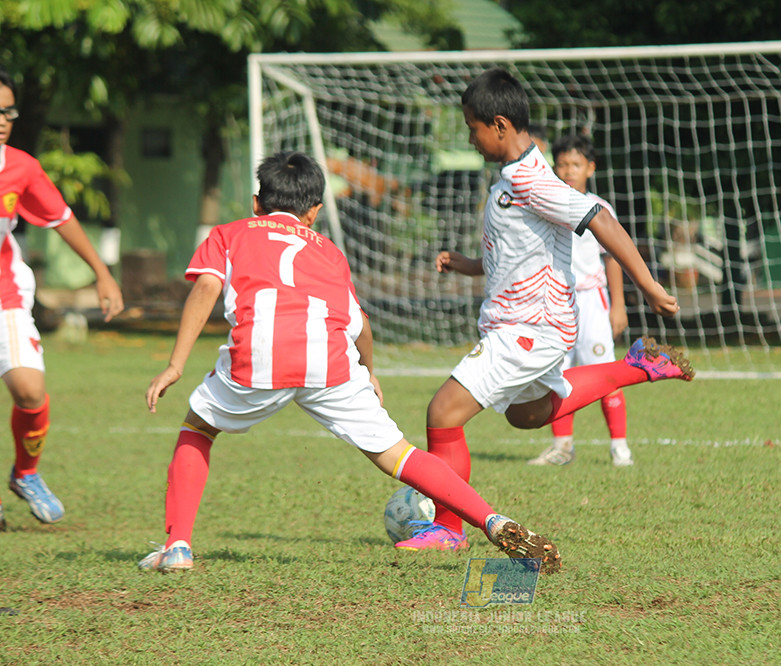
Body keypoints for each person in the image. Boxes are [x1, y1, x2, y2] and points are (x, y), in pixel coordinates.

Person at [139, 151, 560, 573]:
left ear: (256, 204)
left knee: (198, 427)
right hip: (331, 362)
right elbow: (361, 326)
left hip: (260, 355)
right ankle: (492, 519)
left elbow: (205, 289)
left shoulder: (228, 234)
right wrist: (369, 372)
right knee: (399, 454)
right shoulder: (329, 253)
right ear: (315, 212)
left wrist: (176, 364)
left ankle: (177, 546)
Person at [394, 68, 694, 553]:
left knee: (442, 413)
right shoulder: (512, 178)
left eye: (472, 129)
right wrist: (467, 264)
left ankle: (448, 529)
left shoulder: (531, 179)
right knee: (527, 415)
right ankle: (637, 367)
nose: (470, 140)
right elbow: (512, 259)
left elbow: (598, 217)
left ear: (498, 125)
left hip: (527, 330)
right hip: (532, 327)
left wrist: (649, 285)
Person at [0, 67, 124, 531]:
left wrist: (102, 275)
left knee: (30, 391)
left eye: (8, 110)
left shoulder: (20, 167)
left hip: (5, 293)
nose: (2, 119)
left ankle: (25, 473)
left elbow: (61, 219)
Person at [526, 133, 632, 467]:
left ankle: (619, 447)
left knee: (604, 373)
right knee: (556, 373)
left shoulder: (600, 207)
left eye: (576, 164)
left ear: (590, 168)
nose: (568, 170)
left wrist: (618, 304)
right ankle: (562, 447)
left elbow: (612, 256)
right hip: (556, 302)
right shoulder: (548, 205)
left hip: (591, 301)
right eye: (562, 164)